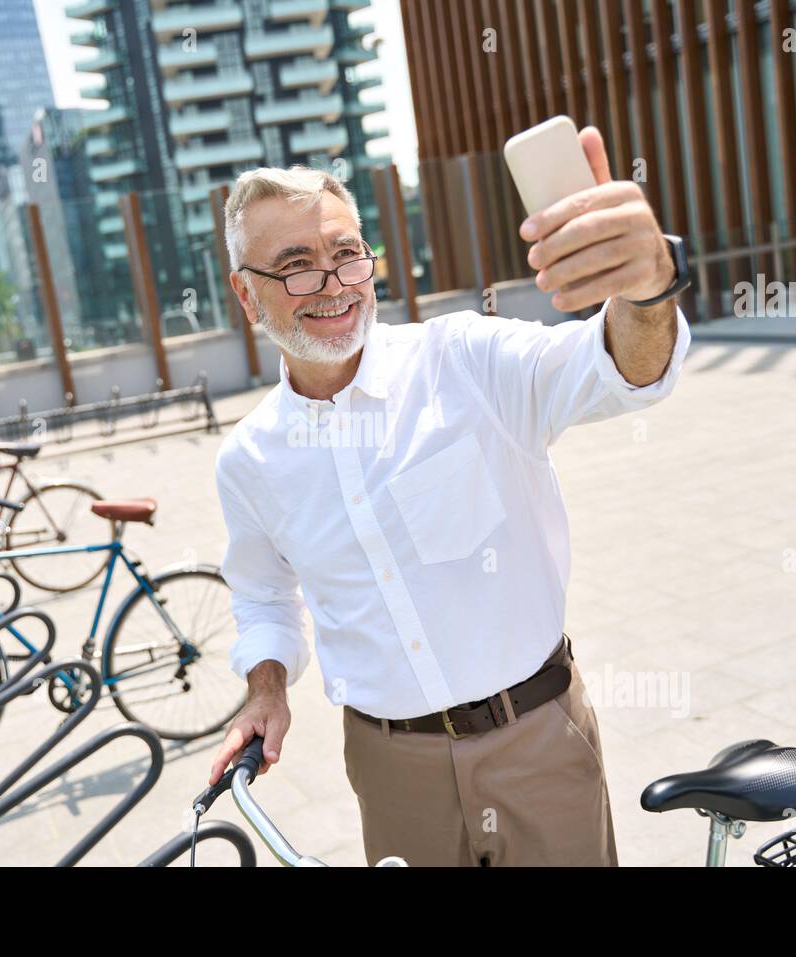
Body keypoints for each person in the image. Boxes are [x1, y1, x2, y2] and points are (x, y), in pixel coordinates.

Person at [207, 126, 691, 866]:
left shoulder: (466, 359)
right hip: (392, 771)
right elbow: (265, 597)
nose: (335, 283)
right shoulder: (249, 460)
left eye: (346, 255)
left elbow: (620, 369)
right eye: (297, 266)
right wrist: (265, 687)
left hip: (537, 741)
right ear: (247, 293)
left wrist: (647, 286)